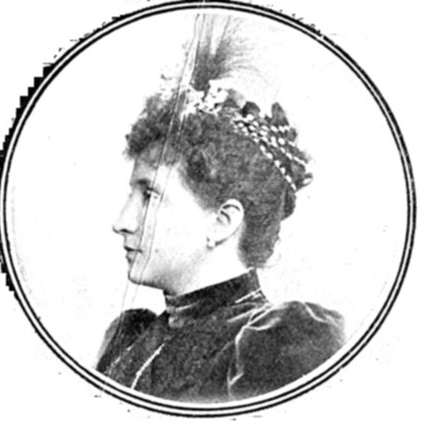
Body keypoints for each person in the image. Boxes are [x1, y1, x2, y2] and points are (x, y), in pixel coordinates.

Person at [96, 16, 344, 403]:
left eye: (150, 196)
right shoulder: (128, 339)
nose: (122, 222)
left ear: (223, 222)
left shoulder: (273, 346)